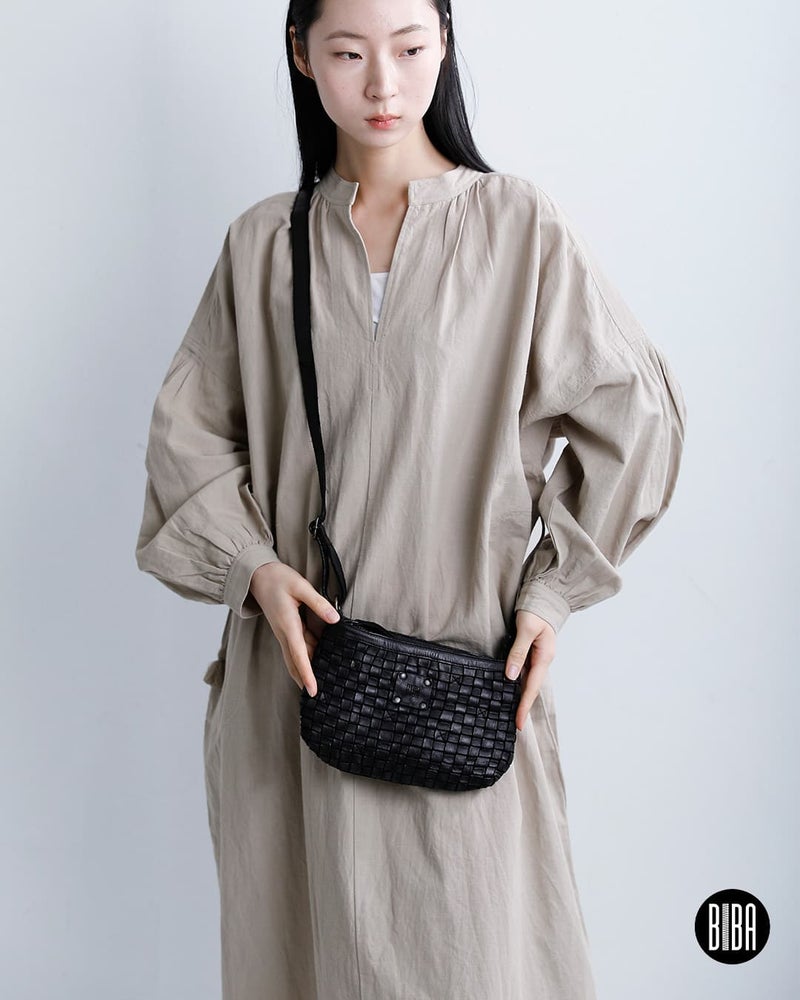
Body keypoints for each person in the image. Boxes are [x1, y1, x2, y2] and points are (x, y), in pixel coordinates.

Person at [134, 0, 687, 997]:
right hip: (296, 686)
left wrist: (551, 592)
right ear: (302, 54)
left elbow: (634, 415)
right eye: (348, 52)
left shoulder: (516, 226)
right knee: (300, 961)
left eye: (409, 47)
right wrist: (254, 569)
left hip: (461, 673)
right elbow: (186, 439)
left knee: (471, 956)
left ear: (444, 46)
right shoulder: (263, 244)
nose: (383, 83)